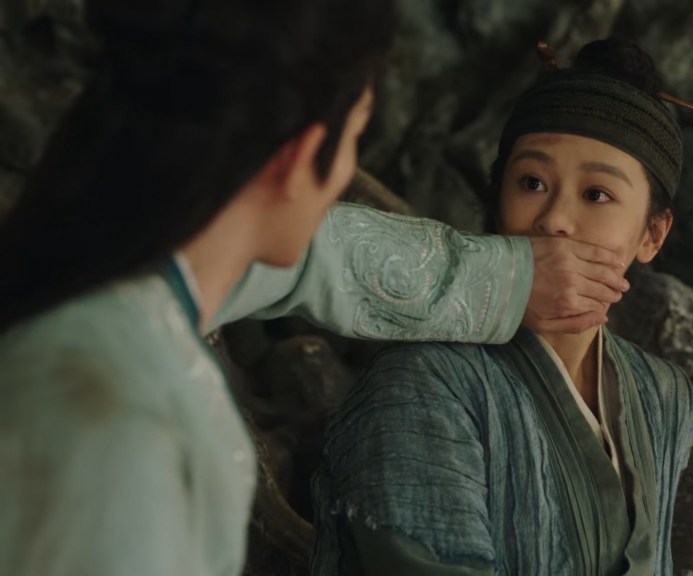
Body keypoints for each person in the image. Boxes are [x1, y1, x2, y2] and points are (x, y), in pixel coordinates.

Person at [0, 1, 630, 575]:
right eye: (355, 137)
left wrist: (504, 279)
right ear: (299, 159)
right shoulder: (116, 424)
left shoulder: (114, 294)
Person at [313, 38, 693, 576]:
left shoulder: (664, 394)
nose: (554, 219)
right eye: (531, 183)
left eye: (597, 194)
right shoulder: (424, 382)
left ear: (653, 234)